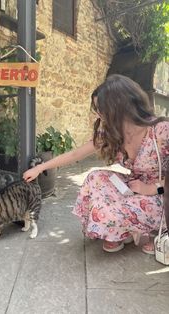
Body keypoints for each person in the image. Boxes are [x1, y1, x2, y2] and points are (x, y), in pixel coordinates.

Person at [23, 74, 169, 254]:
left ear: (121, 106)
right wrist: (41, 167)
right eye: (97, 109)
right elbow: (76, 154)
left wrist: (152, 189)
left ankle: (145, 228)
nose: (99, 115)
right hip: (134, 186)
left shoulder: (160, 131)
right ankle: (124, 231)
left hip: (161, 194)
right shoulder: (112, 132)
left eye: (102, 109)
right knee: (95, 178)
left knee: (108, 212)